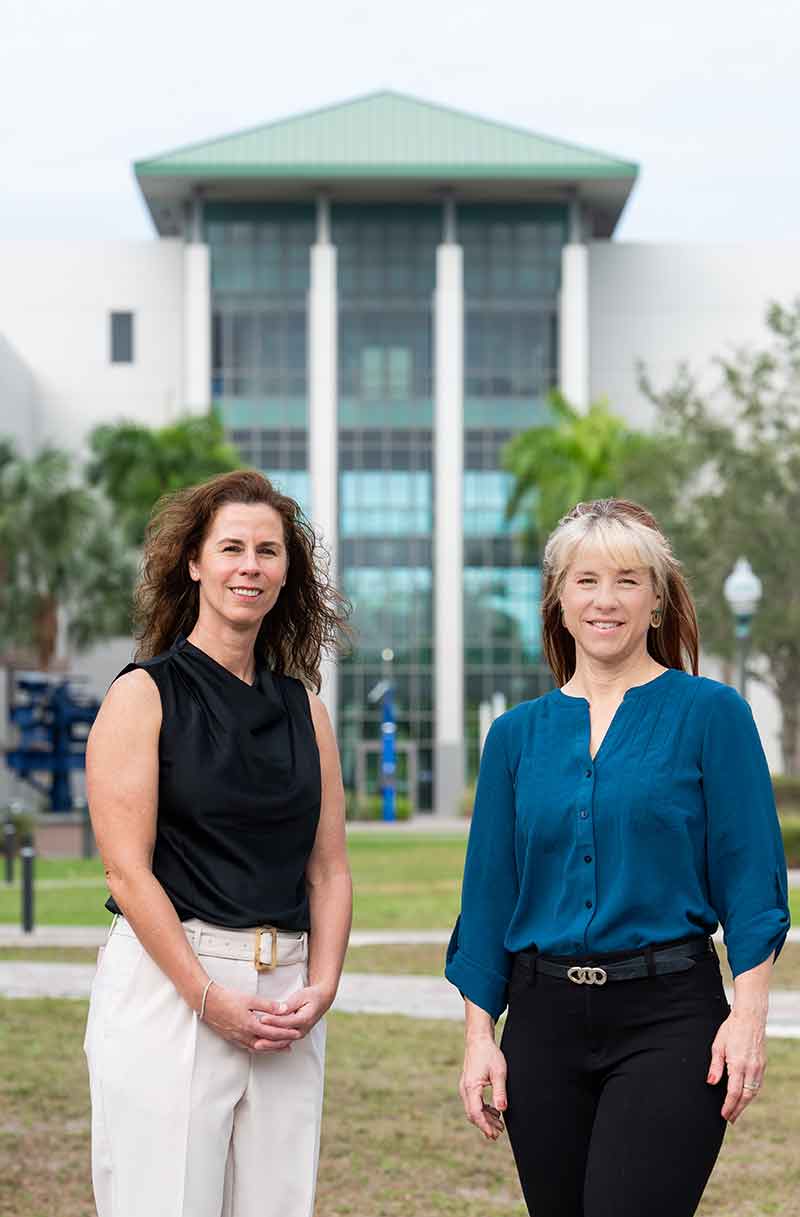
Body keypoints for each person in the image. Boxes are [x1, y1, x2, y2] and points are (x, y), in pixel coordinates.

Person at [445, 498, 790, 1217]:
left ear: (657, 602)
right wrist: (480, 1034)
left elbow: (752, 878)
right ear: (559, 601)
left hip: (669, 1020)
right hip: (541, 1029)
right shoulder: (514, 737)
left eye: (629, 580)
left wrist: (748, 1013)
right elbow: (487, 900)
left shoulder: (712, 713)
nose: (607, 599)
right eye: (586, 580)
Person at [84, 470, 352, 1217]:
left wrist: (322, 987)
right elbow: (127, 872)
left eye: (269, 551)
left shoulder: (306, 710)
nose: (251, 565)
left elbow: (328, 870)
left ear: (287, 572)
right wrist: (205, 996)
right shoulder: (142, 695)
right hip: (172, 988)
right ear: (194, 562)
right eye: (231, 547)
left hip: (286, 997)